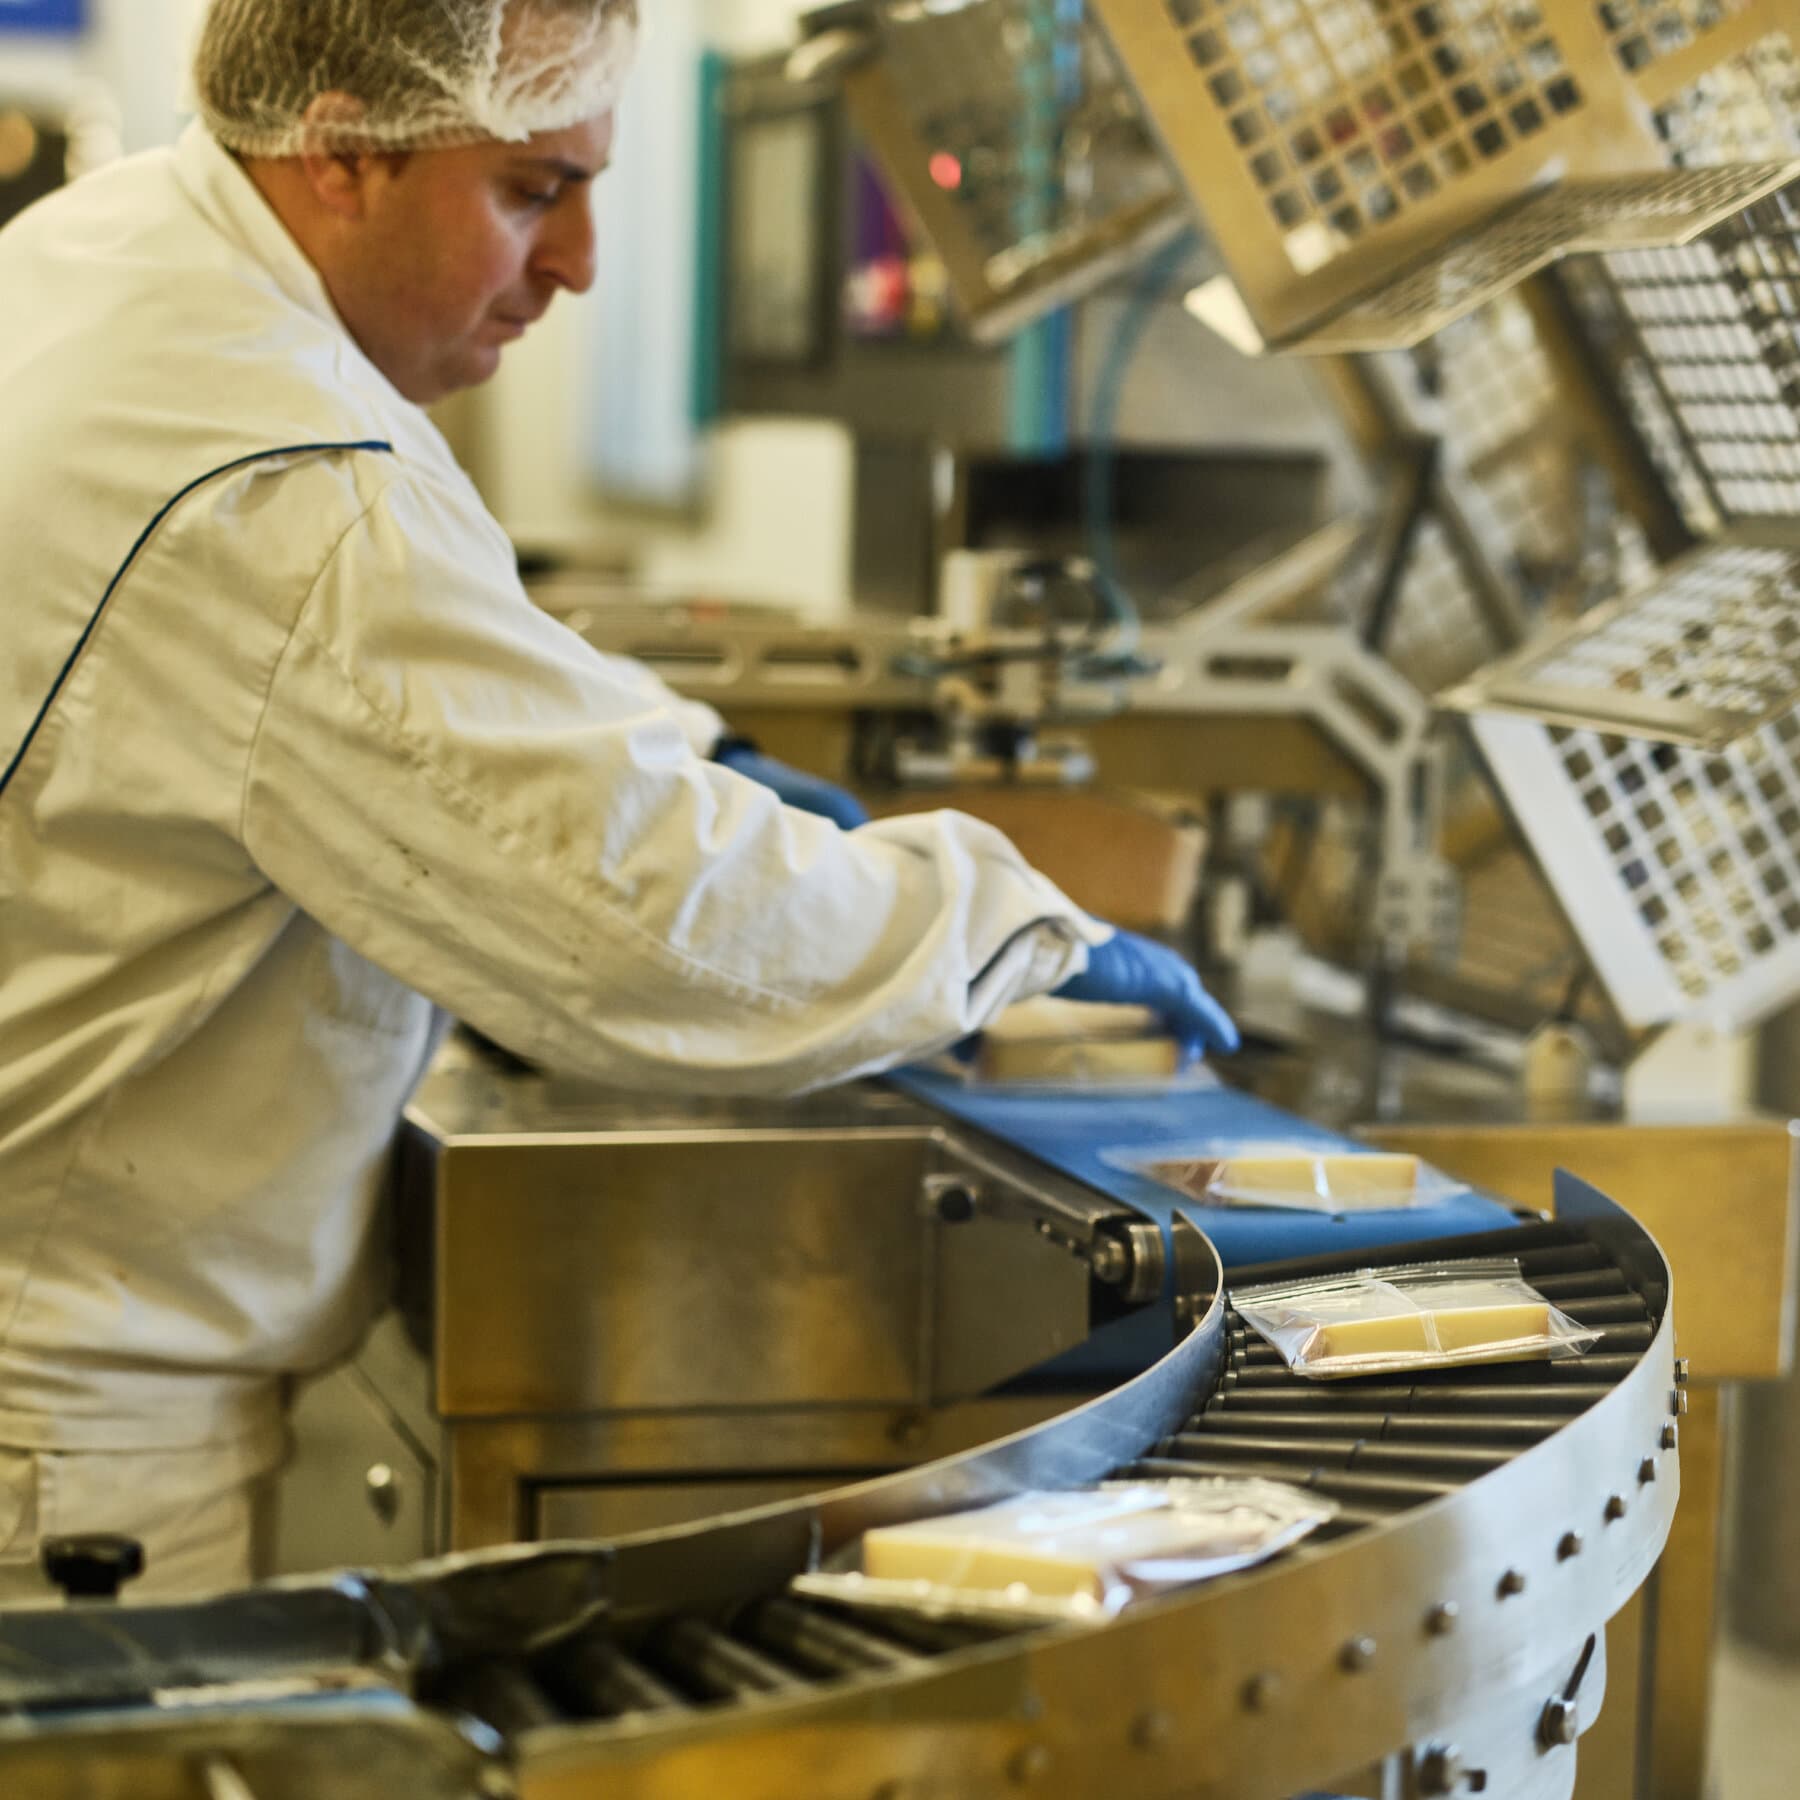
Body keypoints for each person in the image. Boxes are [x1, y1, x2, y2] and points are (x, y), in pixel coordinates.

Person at [0, 0, 1236, 1602]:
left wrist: (685, 752)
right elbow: (660, 933)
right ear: (342, 149)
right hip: (62, 1423)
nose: (580, 260)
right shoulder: (286, 481)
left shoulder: (106, 263)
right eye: (530, 189)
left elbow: (435, 692)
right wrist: (1015, 931)